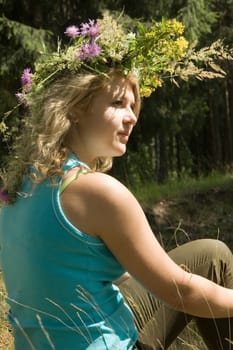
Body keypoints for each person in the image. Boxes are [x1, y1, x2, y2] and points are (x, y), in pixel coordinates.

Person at [1, 14, 233, 350]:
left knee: (209, 255)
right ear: (75, 108)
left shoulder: (20, 186)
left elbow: (76, 271)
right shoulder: (98, 192)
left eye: (133, 104)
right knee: (213, 267)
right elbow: (182, 292)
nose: (133, 116)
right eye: (117, 103)